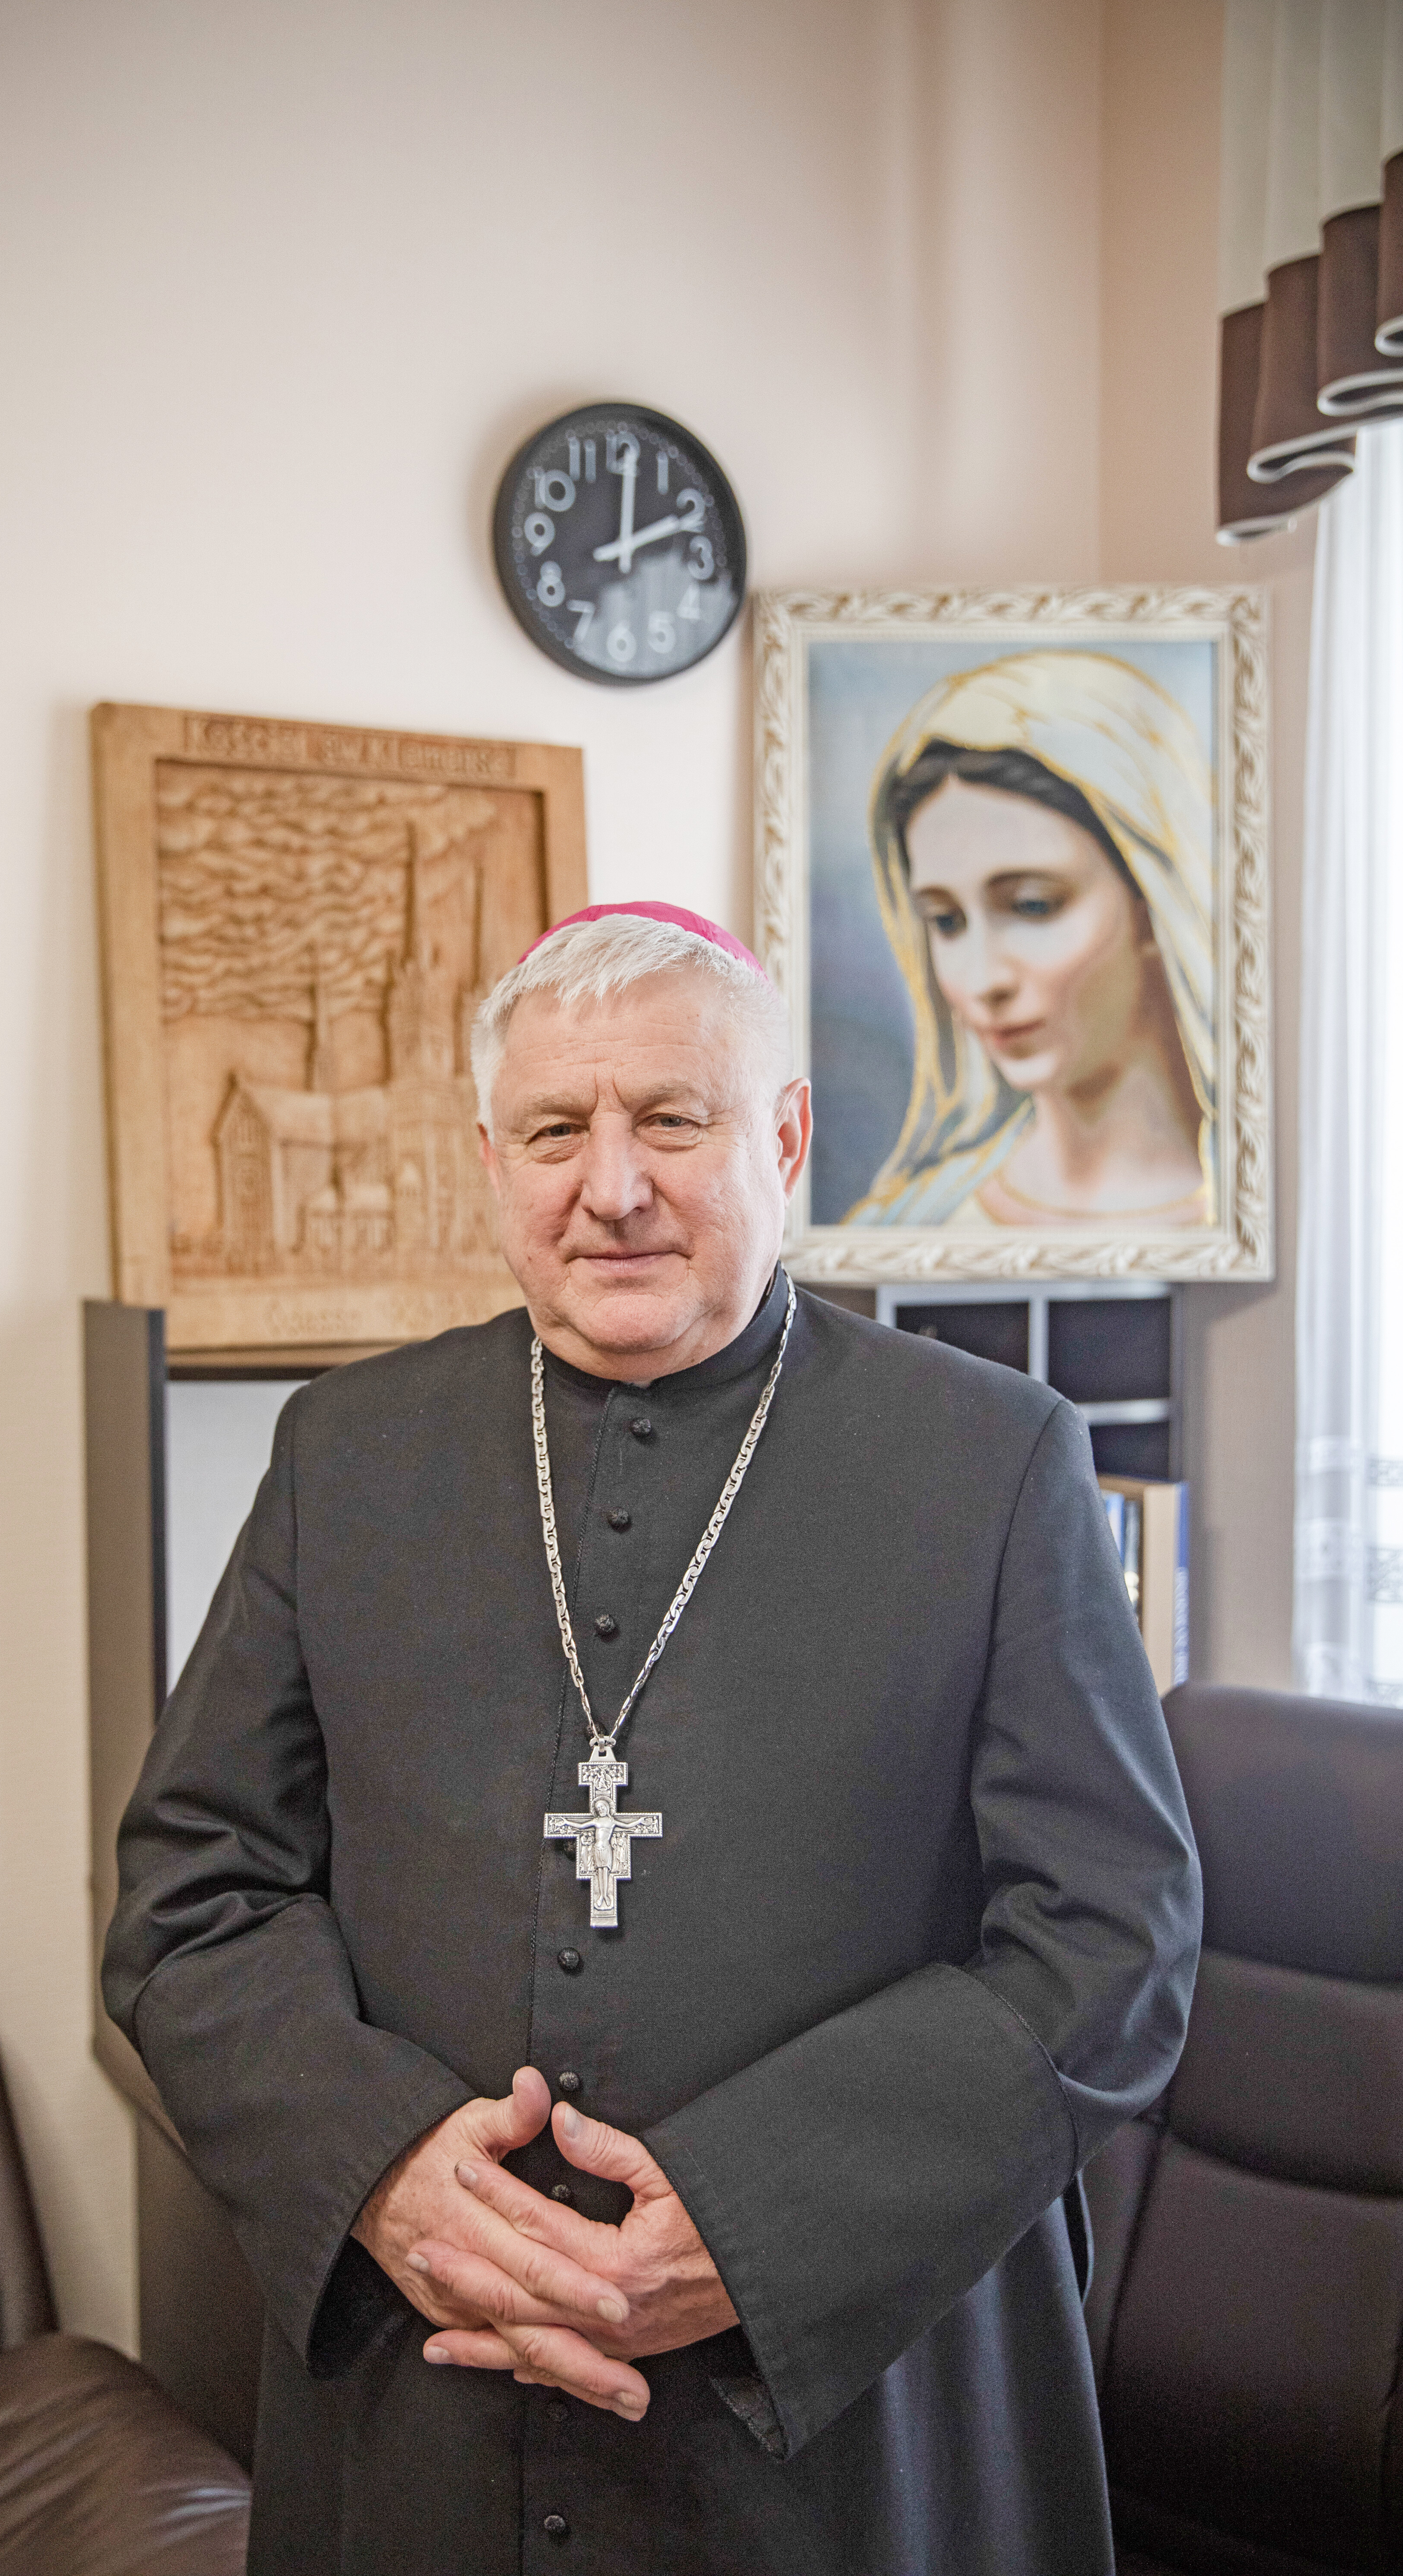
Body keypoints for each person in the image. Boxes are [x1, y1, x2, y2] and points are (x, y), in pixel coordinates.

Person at [103, 900, 1201, 2576]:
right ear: (490, 1160)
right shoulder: (347, 1459)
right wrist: (383, 2168)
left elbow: (1112, 1939)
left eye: (669, 1121)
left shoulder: (990, 1463)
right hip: (431, 2390)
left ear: (782, 1138)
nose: (609, 1187)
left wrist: (761, 2227)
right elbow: (192, 1898)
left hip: (844, 2432)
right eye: (556, 1129)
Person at [849, 650, 1216, 1230]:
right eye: (945, 921)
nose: (982, 981)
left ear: (1151, 903)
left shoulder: (1260, 1213)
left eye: (1033, 906)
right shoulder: (908, 1222)